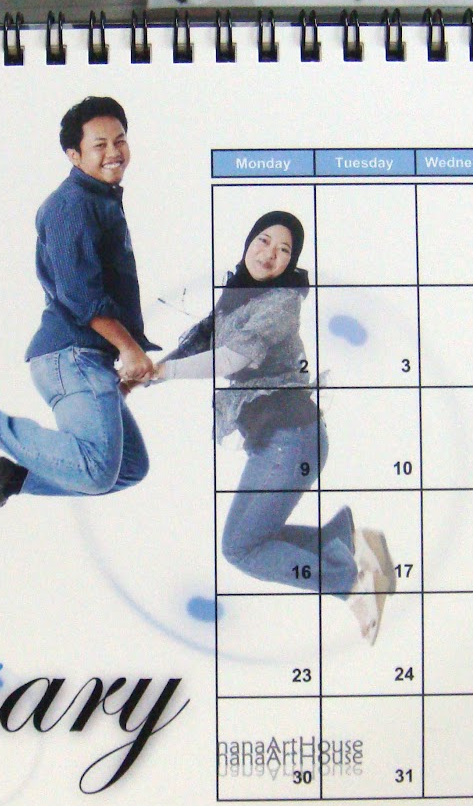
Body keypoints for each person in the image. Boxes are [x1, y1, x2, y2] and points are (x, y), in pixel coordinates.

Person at [142, 210, 396, 641]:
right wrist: (145, 374)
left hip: (290, 441)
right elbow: (202, 339)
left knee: (242, 548)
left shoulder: (281, 302)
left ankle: (353, 585)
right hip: (285, 440)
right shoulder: (239, 293)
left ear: (290, 262)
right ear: (248, 243)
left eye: (283, 250)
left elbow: (232, 358)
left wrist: (162, 372)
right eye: (263, 241)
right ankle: (345, 541)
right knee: (255, 537)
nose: (269, 254)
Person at [0, 96, 158, 532]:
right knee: (97, 470)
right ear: (74, 155)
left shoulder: (100, 200)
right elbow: (80, 297)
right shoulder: (70, 205)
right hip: (70, 357)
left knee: (129, 467)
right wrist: (128, 349)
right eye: (99, 145)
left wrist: (123, 358)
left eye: (120, 141)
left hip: (88, 358)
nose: (114, 152)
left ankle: (14, 477)